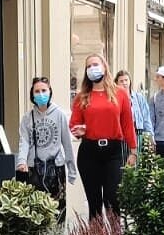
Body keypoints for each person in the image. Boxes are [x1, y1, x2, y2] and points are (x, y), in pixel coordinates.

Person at [70, 53, 137, 218]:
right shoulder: (82, 96)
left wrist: (133, 150)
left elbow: (128, 124)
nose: (92, 69)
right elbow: (74, 123)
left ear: (104, 67)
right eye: (89, 66)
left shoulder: (120, 94)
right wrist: (79, 130)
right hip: (89, 152)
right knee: (94, 203)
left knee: (113, 197)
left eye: (95, 64)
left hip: (113, 151)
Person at [16, 75, 77, 222]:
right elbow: (24, 141)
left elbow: (67, 143)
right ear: (32, 94)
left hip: (55, 169)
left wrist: (72, 171)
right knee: (35, 214)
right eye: (37, 91)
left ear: (50, 91)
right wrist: (21, 161)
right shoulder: (27, 118)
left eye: (44, 90)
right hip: (33, 170)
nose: (41, 94)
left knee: (58, 213)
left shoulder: (60, 115)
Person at [116, 71, 153, 152]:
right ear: (117, 83)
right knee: (122, 160)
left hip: (137, 132)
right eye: (121, 81)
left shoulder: (138, 97)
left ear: (130, 81)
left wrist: (150, 136)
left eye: (126, 80)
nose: (124, 83)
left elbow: (146, 118)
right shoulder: (114, 99)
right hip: (121, 134)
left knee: (136, 158)